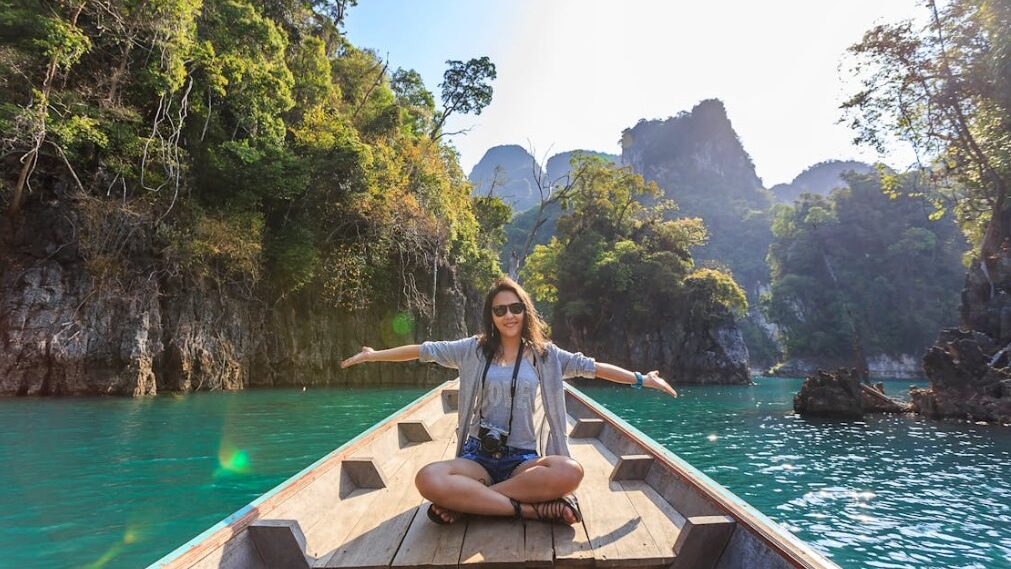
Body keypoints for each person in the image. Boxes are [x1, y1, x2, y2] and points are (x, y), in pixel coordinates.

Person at [340, 276, 678, 525]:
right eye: (500, 310)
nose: (509, 315)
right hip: (478, 457)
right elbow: (423, 350)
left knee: (569, 471)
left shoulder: (547, 356)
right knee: (427, 478)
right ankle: (529, 509)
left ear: (525, 310)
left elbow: (594, 368)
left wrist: (641, 379)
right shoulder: (472, 349)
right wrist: (373, 356)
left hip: (523, 459)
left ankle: (471, 503)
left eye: (515, 307)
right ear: (492, 315)